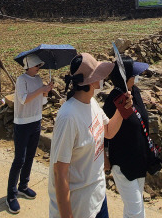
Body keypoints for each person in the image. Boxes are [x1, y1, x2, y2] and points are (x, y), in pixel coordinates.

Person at [49, 53, 132, 218]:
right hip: (79, 206)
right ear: (92, 81)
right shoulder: (68, 117)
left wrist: (123, 109)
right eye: (99, 74)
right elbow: (60, 173)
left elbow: (108, 132)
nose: (103, 78)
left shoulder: (92, 103)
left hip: (98, 196)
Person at [103, 55, 153, 218]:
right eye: (134, 74)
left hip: (139, 160)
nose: (137, 77)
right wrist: (105, 157)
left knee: (135, 208)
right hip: (123, 164)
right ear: (126, 78)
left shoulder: (134, 93)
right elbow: (104, 131)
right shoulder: (113, 100)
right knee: (136, 211)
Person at [6, 54, 53, 214]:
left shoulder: (38, 79)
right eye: (36, 66)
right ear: (28, 66)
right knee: (19, 159)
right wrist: (41, 89)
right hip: (22, 123)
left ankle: (23, 186)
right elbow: (23, 99)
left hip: (36, 121)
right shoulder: (22, 80)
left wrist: (46, 92)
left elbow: (41, 101)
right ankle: (11, 196)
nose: (39, 68)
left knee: (30, 156)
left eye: (39, 65)